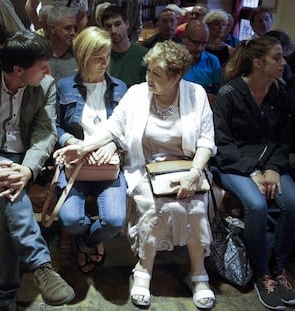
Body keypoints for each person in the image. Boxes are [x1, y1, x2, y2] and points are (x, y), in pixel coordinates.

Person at [54, 40, 216, 309]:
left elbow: (206, 142)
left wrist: (195, 172)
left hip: (187, 166)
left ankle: (199, 275)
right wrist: (82, 147)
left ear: (177, 77)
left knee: (196, 205)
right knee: (154, 205)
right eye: (148, 71)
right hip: (144, 166)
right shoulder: (138, 94)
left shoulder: (195, 94)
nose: (148, 78)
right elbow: (112, 129)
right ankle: (143, 270)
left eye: (156, 74)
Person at [0, 30, 75, 310]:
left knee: (3, 208)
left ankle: (3, 299)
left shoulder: (45, 86)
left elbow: (45, 133)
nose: (48, 71)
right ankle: (41, 264)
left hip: (20, 159)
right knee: (8, 189)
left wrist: (28, 170)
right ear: (18, 70)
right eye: (42, 67)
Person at [211, 36, 295, 310]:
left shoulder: (279, 92)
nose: (283, 63)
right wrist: (253, 172)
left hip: (269, 164)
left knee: (292, 203)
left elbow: (284, 139)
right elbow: (222, 143)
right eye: (277, 57)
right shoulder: (229, 94)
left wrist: (271, 168)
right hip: (235, 164)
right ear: (258, 63)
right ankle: (262, 273)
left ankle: (279, 268)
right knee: (257, 205)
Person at [55, 26, 127, 273]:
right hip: (77, 163)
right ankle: (86, 237)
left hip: (109, 164)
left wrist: (114, 144)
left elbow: (130, 128)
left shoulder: (120, 88)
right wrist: (70, 142)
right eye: (97, 56)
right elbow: (51, 126)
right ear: (82, 57)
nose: (104, 62)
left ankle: (87, 243)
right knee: (70, 219)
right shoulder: (64, 86)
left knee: (115, 221)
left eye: (107, 55)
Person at [101, 5, 147, 87]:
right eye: (108, 26)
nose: (113, 31)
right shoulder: (101, 57)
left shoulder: (145, 55)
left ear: (127, 24)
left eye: (117, 24)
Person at [182, 19, 221, 105]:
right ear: (184, 38)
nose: (200, 48)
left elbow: (218, 90)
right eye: (196, 43)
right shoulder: (171, 59)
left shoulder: (212, 61)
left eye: (204, 43)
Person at [46, 6, 78, 81]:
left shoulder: (79, 56)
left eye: (75, 28)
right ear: (52, 28)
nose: (73, 33)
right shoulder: (38, 56)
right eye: (67, 28)